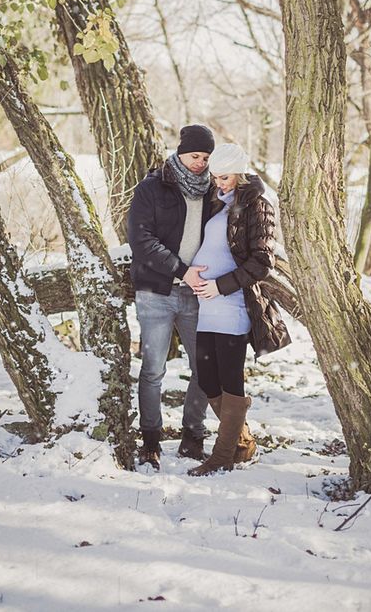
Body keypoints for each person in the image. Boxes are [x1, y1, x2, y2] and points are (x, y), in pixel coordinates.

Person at [187, 143, 291, 477]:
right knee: (207, 378)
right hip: (207, 305)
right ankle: (243, 444)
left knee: (231, 381)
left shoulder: (258, 205)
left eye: (226, 176)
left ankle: (222, 455)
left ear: (241, 172)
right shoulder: (217, 203)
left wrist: (220, 286)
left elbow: (262, 262)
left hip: (233, 304)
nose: (220, 183)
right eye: (216, 177)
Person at [127, 124, 216, 470]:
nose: (199, 163)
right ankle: (150, 440)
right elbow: (141, 240)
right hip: (156, 291)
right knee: (152, 370)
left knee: (204, 369)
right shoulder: (153, 187)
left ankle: (193, 437)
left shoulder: (213, 190)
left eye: (206, 158)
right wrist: (181, 270)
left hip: (198, 295)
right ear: (181, 152)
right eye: (195, 156)